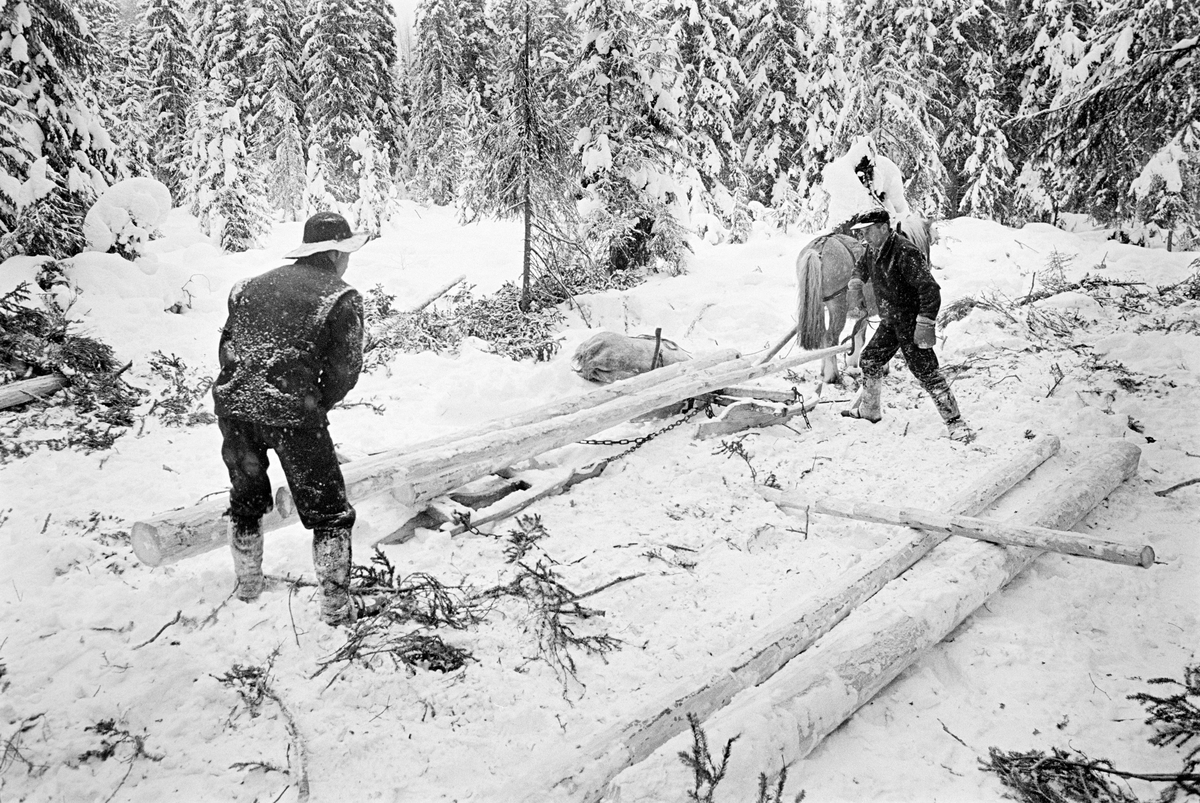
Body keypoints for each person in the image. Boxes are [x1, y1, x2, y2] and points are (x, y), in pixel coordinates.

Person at [211, 211, 371, 625]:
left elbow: (229, 348)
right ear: (336, 253)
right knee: (329, 511)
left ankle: (247, 584)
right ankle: (336, 606)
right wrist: (312, 402)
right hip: (292, 413)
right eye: (347, 252)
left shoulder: (246, 288)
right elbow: (344, 371)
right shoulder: (340, 297)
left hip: (235, 407)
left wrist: (245, 392)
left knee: (245, 500)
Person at [841, 208, 974, 443]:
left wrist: (925, 322)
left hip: (911, 323)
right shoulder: (874, 249)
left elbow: (930, 289)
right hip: (891, 321)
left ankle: (956, 423)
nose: (865, 238)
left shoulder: (905, 252)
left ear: (883, 228)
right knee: (870, 358)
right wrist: (855, 282)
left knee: (927, 372)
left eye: (868, 231)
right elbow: (862, 265)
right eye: (862, 233)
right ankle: (869, 410)